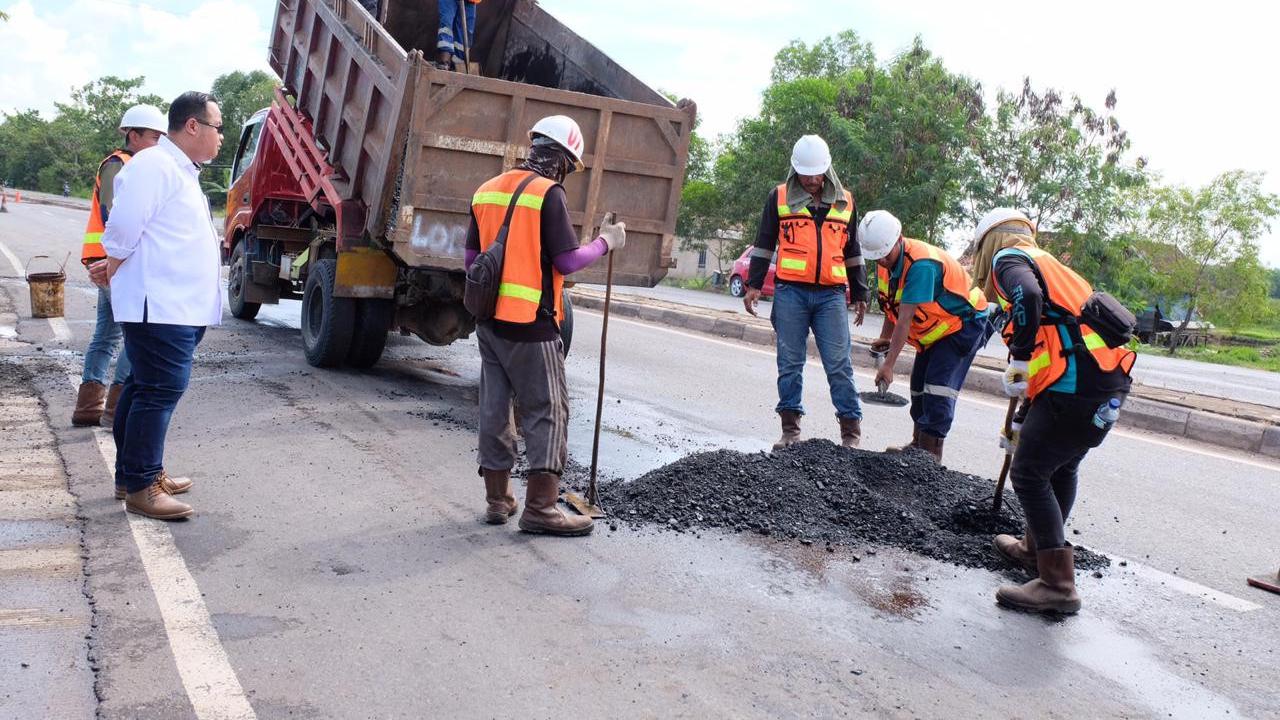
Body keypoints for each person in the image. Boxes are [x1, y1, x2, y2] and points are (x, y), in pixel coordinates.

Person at [467, 115, 625, 536]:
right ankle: (540, 508)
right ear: (562, 159)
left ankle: (497, 501)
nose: (566, 175)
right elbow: (567, 261)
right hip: (532, 327)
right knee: (548, 412)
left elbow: (471, 262)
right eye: (570, 167)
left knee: (494, 410)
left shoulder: (486, 190)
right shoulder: (548, 194)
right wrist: (606, 242)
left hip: (488, 324)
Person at [973, 208, 1136, 614]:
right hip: (1103, 385)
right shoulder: (1057, 268)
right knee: (1061, 467)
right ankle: (1035, 547)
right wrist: (1030, 399)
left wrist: (1022, 358)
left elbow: (1027, 298)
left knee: (1028, 472)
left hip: (1075, 388)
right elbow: (1055, 325)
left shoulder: (1008, 260)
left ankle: (1057, 584)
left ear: (990, 241)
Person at [90, 91, 224, 520]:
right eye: (217, 127)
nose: (222, 137)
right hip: (160, 305)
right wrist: (110, 265)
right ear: (192, 126)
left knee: (142, 388)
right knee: (157, 391)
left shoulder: (180, 170)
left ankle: (133, 476)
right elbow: (124, 227)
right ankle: (142, 485)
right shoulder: (155, 165)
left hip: (176, 305)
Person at [743, 134, 867, 450]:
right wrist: (754, 285)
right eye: (806, 173)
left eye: (817, 173)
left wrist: (861, 293)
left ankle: (850, 434)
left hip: (831, 295)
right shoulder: (779, 197)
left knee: (839, 364)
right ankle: (790, 431)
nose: (812, 180)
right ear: (795, 169)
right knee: (790, 362)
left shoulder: (846, 201)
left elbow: (853, 251)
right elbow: (764, 243)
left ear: (827, 169)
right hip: (790, 293)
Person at [856, 210, 992, 463]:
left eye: (884, 255)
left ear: (898, 239)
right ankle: (918, 448)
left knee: (937, 391)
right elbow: (892, 304)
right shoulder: (886, 260)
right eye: (877, 257)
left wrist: (888, 365)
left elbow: (905, 318)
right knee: (918, 389)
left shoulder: (922, 265)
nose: (881, 261)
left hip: (962, 325)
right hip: (934, 331)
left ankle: (930, 462)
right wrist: (886, 336)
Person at [73, 105, 167, 427]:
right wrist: (118, 260)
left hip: (112, 261)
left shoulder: (139, 166)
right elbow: (116, 215)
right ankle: (115, 406)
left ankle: (89, 406)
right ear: (133, 135)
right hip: (114, 263)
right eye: (154, 137)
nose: (158, 143)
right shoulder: (118, 165)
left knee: (109, 333)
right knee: (134, 334)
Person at [437, 0, 481, 70]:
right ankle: (445, 60)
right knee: (447, 24)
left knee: (466, 32)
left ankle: (457, 64)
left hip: (470, 1)